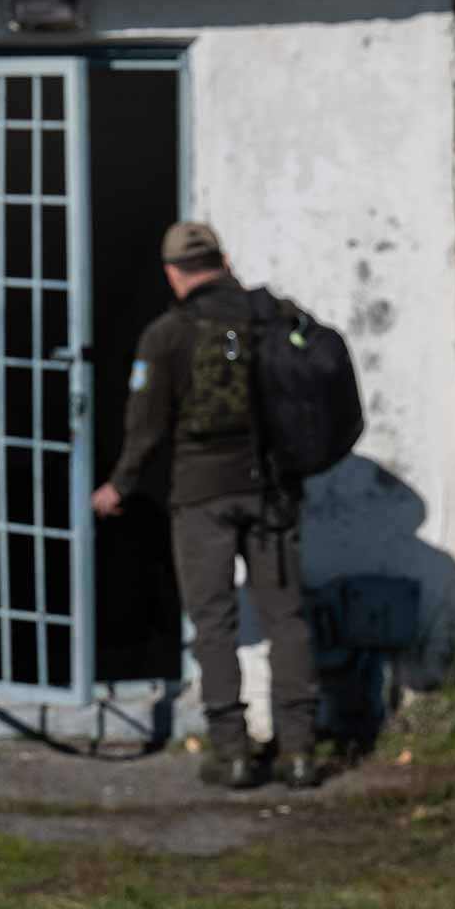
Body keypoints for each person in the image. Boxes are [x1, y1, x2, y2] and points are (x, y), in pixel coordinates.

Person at [94, 222, 320, 790]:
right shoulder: (271, 319)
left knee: (213, 623)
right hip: (271, 491)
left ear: (173, 275)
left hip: (201, 496)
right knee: (285, 618)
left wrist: (119, 485)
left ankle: (233, 751)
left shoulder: (166, 335)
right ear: (224, 258)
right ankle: (298, 751)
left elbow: (145, 426)